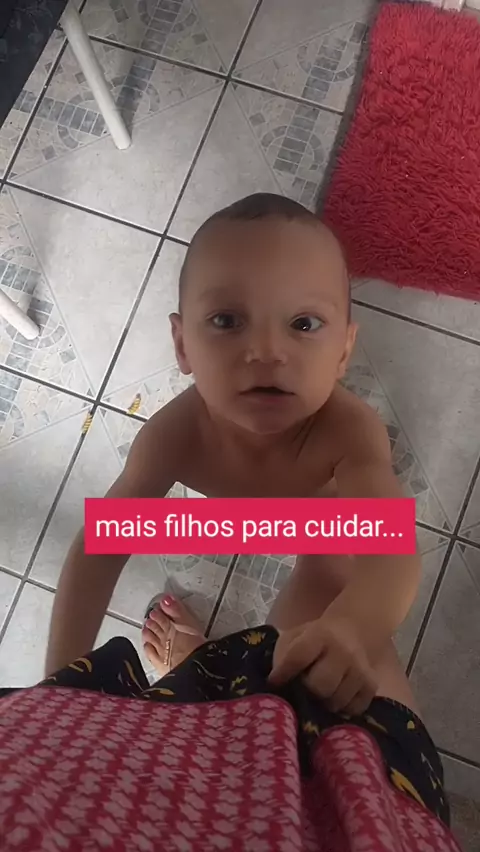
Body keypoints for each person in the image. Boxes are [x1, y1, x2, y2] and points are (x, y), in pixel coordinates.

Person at [0, 194, 461, 849]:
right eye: (226, 320)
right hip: (238, 521)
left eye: (303, 324)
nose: (266, 351)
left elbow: (389, 546)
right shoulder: (171, 437)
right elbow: (100, 549)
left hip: (325, 522)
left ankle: (205, 666)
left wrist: (356, 626)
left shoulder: (351, 432)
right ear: (182, 344)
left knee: (320, 595)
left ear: (344, 351)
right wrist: (61, 683)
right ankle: (205, 667)